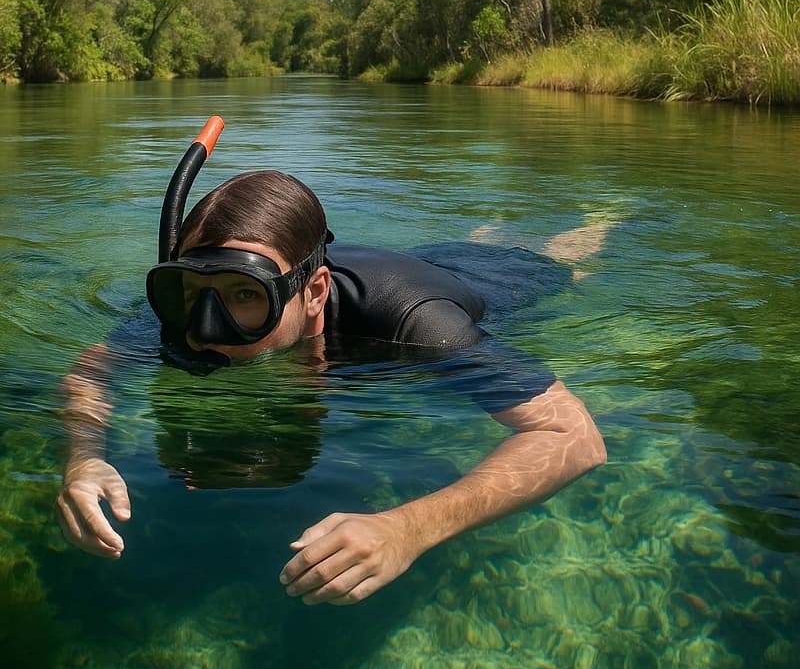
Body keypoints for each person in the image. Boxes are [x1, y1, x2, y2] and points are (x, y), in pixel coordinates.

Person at [57, 126, 607, 607]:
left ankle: (607, 212)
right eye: (190, 292)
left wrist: (409, 528)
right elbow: (90, 370)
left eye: (244, 296)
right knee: (485, 233)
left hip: (499, 279)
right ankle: (493, 227)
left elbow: (575, 436)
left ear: (314, 293)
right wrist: (83, 458)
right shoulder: (184, 312)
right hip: (423, 257)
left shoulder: (414, 325)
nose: (205, 329)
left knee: (565, 250)